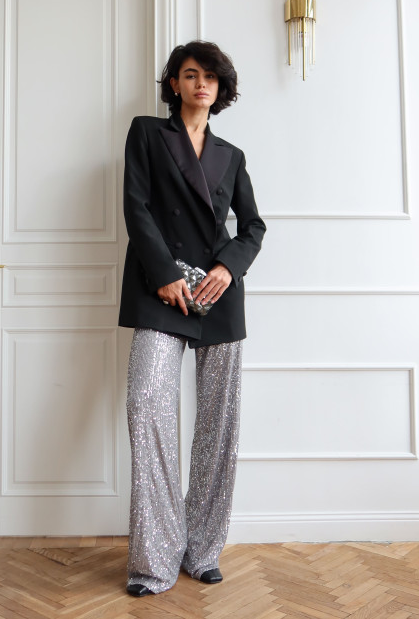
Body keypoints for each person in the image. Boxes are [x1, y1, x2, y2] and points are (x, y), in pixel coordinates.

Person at [118, 40, 266, 596]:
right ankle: (154, 561)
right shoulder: (146, 133)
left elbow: (252, 226)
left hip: (217, 294)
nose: (200, 83)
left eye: (211, 77)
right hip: (161, 288)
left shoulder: (232, 154)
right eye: (189, 74)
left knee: (218, 428)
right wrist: (162, 272)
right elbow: (136, 206)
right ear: (174, 84)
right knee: (146, 406)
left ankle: (202, 550)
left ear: (221, 88)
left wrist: (228, 268)